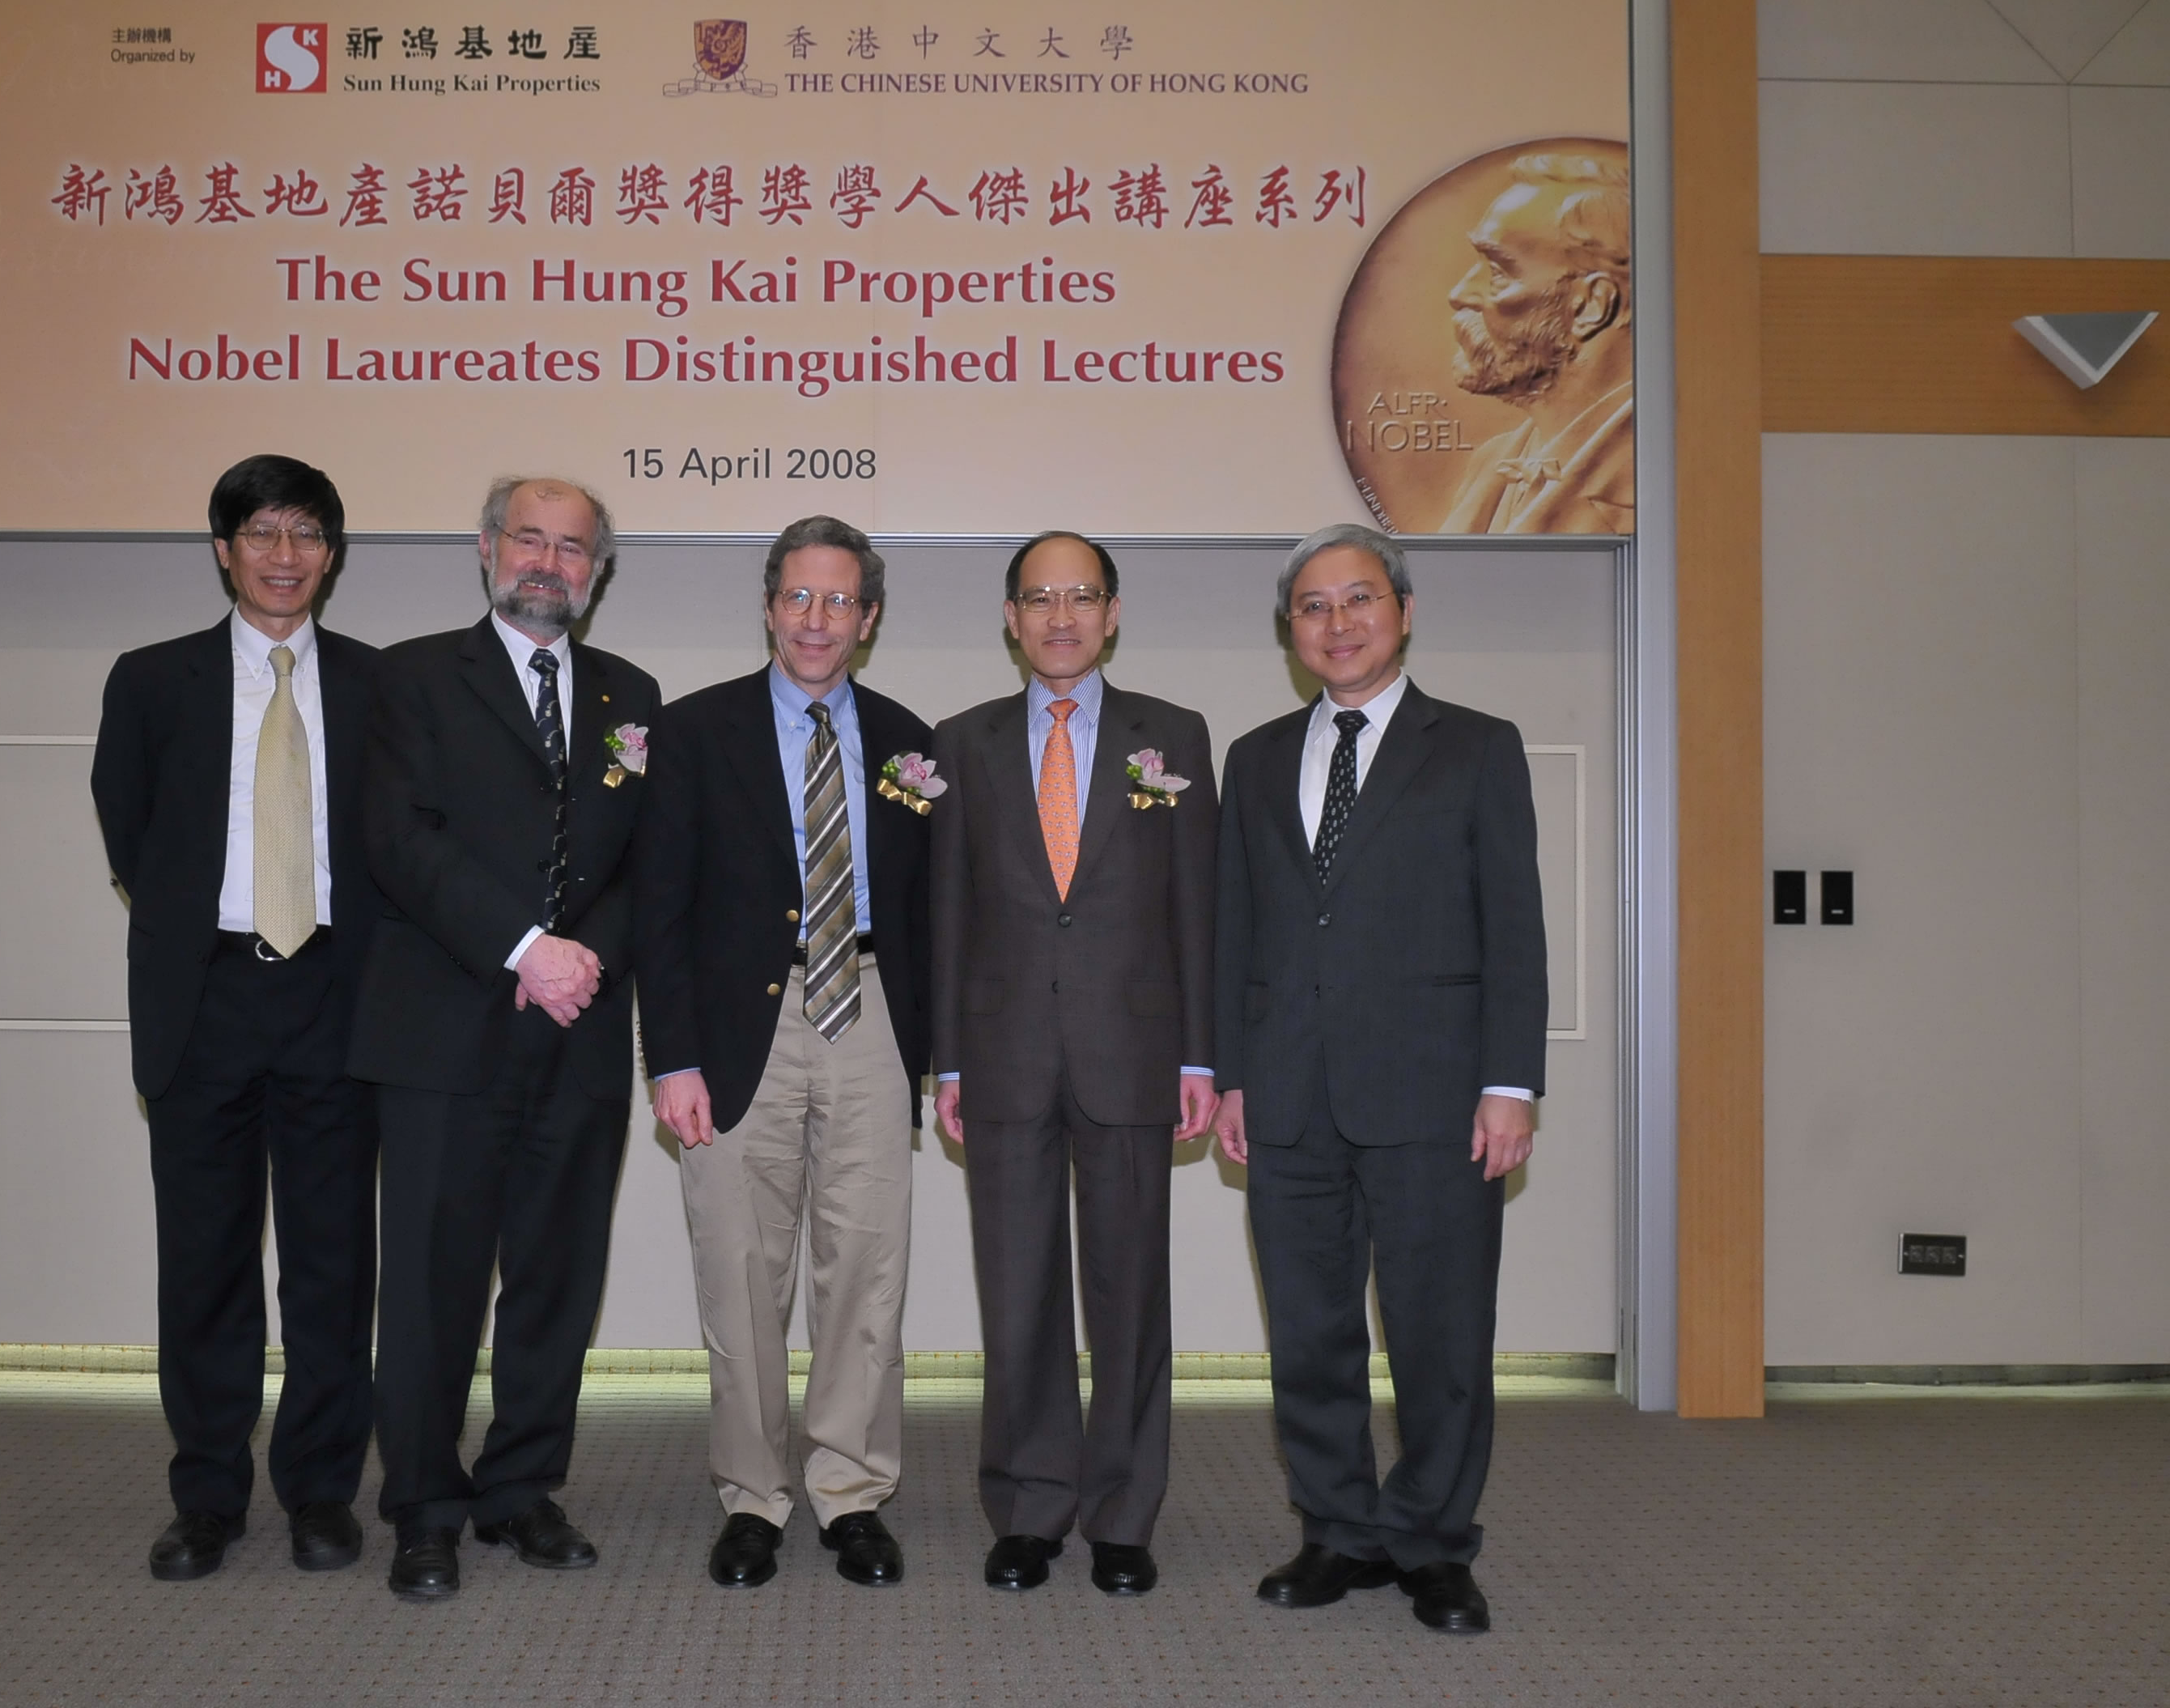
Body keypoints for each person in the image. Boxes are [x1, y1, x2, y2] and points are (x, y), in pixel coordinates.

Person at [1212, 523, 1547, 1634]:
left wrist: (1512, 1083)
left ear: (1402, 611)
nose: (1338, 622)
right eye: (1313, 606)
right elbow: (1237, 933)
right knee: (1310, 1333)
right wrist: (1233, 1077)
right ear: (1289, 630)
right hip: (1292, 1096)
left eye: (1359, 599)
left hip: (1436, 1096)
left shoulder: (1477, 745)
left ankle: (1435, 1544)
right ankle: (1338, 1531)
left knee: (1439, 1336)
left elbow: (1516, 930)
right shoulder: (1255, 758)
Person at [348, 476, 660, 1600]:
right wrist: (527, 947)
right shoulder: (414, 676)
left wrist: (584, 961)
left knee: (555, 1278)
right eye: (529, 538)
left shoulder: (634, 696)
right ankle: (425, 1507)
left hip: (579, 1034)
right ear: (487, 549)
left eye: (573, 548)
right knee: (434, 1285)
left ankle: (522, 1488)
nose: (549, 562)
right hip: (445, 1032)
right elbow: (398, 839)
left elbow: (640, 864)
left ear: (599, 570)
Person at [89, 453, 383, 1582]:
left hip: (334, 997)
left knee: (328, 1263)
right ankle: (207, 1496)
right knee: (203, 1261)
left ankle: (318, 1491)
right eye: (261, 532)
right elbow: (132, 832)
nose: (283, 556)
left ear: (332, 555)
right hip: (205, 998)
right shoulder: (151, 680)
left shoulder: (374, 685)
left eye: (306, 535)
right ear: (223, 548)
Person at [635, 516, 933, 1591]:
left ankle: (852, 1494)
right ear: (768, 608)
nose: (817, 620)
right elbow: (657, 911)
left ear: (870, 617)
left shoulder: (909, 741)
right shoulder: (694, 730)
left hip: (872, 1014)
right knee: (740, 1271)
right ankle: (753, 1498)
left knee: (866, 1272)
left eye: (840, 600)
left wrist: (937, 1059)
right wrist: (669, 1057)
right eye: (798, 598)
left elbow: (931, 909)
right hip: (730, 1034)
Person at [928, 532, 1218, 1597]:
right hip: (1001, 1055)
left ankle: (1125, 1514)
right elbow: (947, 910)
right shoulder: (965, 742)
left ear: (1113, 612)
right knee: (1018, 1294)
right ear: (1010, 617)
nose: (1061, 616)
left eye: (1080, 596)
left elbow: (1201, 904)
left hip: (1137, 1052)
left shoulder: (1172, 734)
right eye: (1040, 598)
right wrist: (946, 1061)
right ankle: (1031, 1506)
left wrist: (1201, 1053)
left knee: (1131, 1290)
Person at [1436, 151, 1633, 536]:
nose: (1460, 293)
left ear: (1590, 305)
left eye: (1496, 271)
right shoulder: (1492, 462)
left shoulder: (1648, 483)